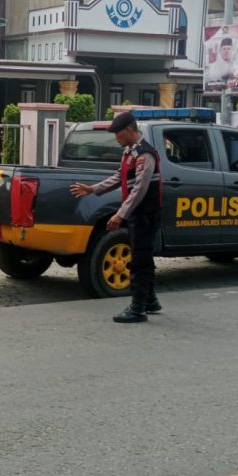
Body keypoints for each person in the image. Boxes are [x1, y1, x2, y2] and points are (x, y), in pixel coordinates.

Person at [70, 110, 162, 323]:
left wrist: (120, 215)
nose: (115, 137)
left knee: (139, 261)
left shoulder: (145, 154)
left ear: (129, 130)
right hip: (137, 215)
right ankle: (150, 300)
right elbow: (119, 177)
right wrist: (92, 189)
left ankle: (138, 308)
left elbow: (139, 189)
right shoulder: (130, 152)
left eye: (118, 133)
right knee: (144, 257)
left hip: (145, 215)